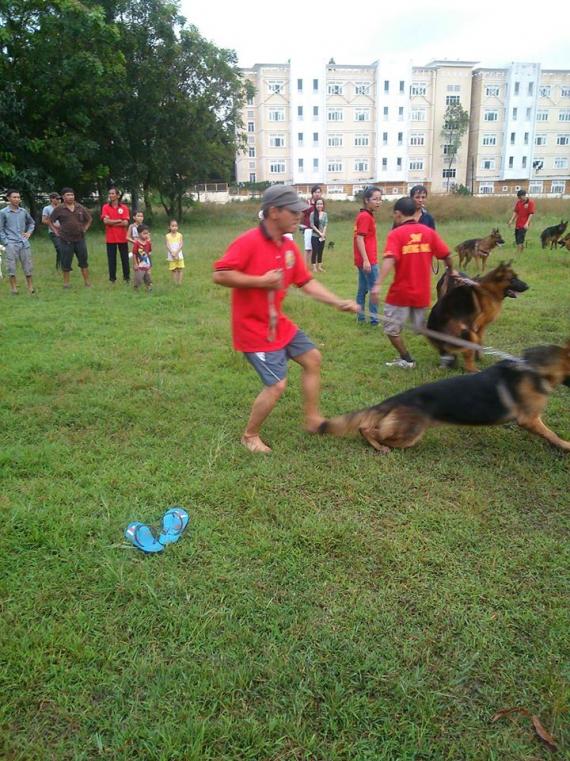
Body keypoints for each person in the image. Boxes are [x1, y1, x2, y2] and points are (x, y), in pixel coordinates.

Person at [213, 184, 359, 454]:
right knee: (277, 384)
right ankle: (249, 436)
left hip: (276, 323)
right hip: (253, 329)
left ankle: (312, 419)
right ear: (273, 212)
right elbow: (220, 274)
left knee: (312, 358)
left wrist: (338, 302)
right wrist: (260, 281)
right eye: (293, 211)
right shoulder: (248, 242)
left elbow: (306, 282)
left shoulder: (289, 246)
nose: (299, 216)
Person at [371, 197, 456, 369]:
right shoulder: (428, 232)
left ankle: (407, 359)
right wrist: (451, 270)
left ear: (398, 214)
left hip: (400, 294)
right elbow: (446, 255)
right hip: (422, 294)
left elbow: (390, 258)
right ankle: (446, 355)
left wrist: (377, 284)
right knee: (423, 328)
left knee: (391, 329)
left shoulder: (396, 234)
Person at [49, 187, 92, 288]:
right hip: (65, 239)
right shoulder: (59, 209)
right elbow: (50, 220)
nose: (70, 197)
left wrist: (85, 228)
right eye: (68, 195)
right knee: (66, 262)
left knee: (83, 261)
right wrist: (55, 231)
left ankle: (87, 282)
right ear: (63, 197)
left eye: (72, 195)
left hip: (80, 238)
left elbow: (89, 219)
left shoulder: (80, 207)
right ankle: (66, 283)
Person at [354, 186, 382, 325]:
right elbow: (359, 238)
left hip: (365, 259)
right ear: (366, 200)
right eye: (375, 199)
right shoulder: (365, 216)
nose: (378, 202)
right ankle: (374, 320)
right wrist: (366, 260)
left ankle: (360, 318)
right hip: (368, 260)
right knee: (373, 289)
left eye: (380, 199)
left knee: (363, 289)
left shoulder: (366, 215)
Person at [0, 189, 35, 295]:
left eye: (18, 197)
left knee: (28, 265)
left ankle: (30, 287)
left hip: (23, 243)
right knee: (11, 266)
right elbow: (0, 229)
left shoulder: (23, 211)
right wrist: (6, 242)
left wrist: (28, 233)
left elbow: (31, 223)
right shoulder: (3, 212)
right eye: (14, 197)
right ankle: (14, 288)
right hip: (11, 243)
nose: (17, 199)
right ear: (8, 198)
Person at [101, 187, 130, 283]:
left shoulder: (124, 208)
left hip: (122, 237)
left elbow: (125, 223)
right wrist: (118, 220)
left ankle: (127, 278)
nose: (111, 195)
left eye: (113, 193)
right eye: (110, 193)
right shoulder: (105, 207)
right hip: (111, 238)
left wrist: (111, 222)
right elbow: (105, 221)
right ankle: (112, 279)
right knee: (111, 259)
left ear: (118, 195)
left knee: (125, 259)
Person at [300, 185, 322, 265]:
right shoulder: (308, 203)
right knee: (308, 248)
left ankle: (314, 266)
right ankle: (304, 266)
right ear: (312, 193)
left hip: (317, 229)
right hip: (308, 228)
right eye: (315, 192)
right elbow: (302, 214)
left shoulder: (320, 203)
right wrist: (302, 225)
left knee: (316, 248)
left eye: (319, 192)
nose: (317, 194)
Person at [508, 189, 535, 253]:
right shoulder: (519, 202)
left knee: (520, 238)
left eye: (520, 197)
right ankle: (521, 252)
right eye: (518, 197)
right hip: (518, 223)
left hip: (524, 224)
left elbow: (531, 214)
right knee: (517, 238)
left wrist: (527, 223)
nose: (519, 198)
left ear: (523, 195)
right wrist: (511, 220)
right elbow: (516, 212)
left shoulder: (530, 203)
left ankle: (518, 253)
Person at [42, 192, 63, 270]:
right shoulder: (47, 208)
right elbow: (44, 220)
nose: (59, 200)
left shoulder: (62, 208)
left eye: (59, 199)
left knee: (64, 249)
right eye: (57, 199)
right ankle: (59, 266)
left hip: (64, 232)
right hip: (53, 232)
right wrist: (54, 225)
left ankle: (62, 266)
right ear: (51, 199)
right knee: (59, 248)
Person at [132, 224, 153, 292]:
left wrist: (150, 264)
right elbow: (134, 254)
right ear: (139, 234)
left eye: (147, 233)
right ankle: (136, 288)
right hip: (139, 265)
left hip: (147, 264)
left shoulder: (148, 243)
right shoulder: (137, 243)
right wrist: (135, 264)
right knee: (139, 278)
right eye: (144, 233)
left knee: (147, 277)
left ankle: (149, 288)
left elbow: (149, 253)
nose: (146, 235)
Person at [309, 198, 328, 273]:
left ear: (323, 205)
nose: (319, 205)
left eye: (321, 204)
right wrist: (320, 233)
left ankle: (319, 267)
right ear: (315, 205)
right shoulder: (312, 214)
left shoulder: (325, 214)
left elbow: (325, 224)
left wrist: (323, 233)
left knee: (320, 251)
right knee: (315, 251)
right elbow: (312, 225)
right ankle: (314, 268)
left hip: (322, 236)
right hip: (314, 236)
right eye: (318, 204)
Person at [165, 220, 184, 285]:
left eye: (176, 226)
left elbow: (181, 244)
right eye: (172, 226)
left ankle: (179, 283)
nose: (174, 227)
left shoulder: (180, 235)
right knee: (174, 269)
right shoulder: (167, 236)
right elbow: (167, 245)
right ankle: (175, 283)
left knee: (180, 269)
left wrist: (177, 252)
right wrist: (172, 252)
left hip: (179, 254)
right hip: (171, 254)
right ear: (169, 227)